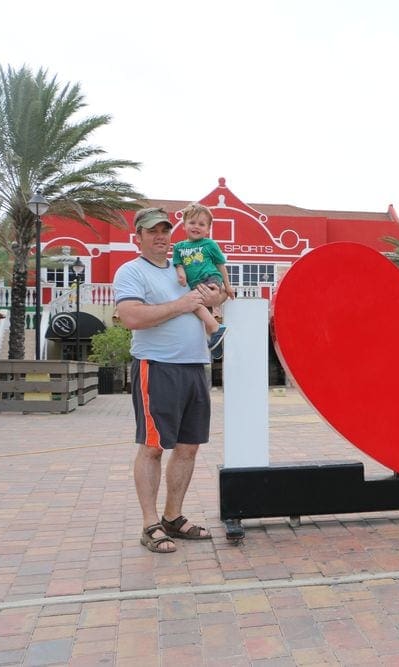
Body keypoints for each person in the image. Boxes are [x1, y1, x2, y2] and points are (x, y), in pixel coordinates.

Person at [115, 207, 227, 553]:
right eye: (152, 231)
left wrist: (216, 296)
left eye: (165, 230)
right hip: (157, 367)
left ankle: (172, 517)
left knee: (188, 447)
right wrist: (182, 305)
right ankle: (150, 524)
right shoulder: (131, 271)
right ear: (139, 238)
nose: (161, 237)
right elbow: (131, 316)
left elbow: (216, 291)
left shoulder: (187, 266)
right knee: (152, 447)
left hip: (196, 366)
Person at [172, 203, 233, 359]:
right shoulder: (179, 247)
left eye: (201, 224)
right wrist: (181, 273)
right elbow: (178, 263)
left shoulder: (209, 244)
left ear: (208, 229)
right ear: (184, 225)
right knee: (200, 313)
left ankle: (216, 328)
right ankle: (216, 344)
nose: (196, 227)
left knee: (193, 304)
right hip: (195, 284)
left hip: (210, 278)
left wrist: (227, 286)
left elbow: (220, 265)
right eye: (192, 223)